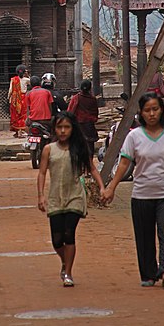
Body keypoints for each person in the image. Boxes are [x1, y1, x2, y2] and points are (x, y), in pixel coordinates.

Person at [102, 92, 164, 288]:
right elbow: (124, 163)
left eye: (155, 109)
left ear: (161, 111)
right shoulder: (134, 136)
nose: (152, 114)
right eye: (147, 110)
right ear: (141, 113)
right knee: (144, 234)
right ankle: (148, 274)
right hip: (141, 194)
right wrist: (111, 187)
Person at [37, 111, 104, 287]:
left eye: (67, 127)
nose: (63, 131)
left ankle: (68, 273)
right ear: (54, 129)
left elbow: (93, 169)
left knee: (69, 233)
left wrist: (102, 187)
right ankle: (64, 261)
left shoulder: (79, 149)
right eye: (59, 127)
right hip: (55, 198)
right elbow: (42, 172)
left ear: (73, 129)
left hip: (75, 196)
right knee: (57, 239)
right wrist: (41, 195)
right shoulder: (48, 149)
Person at [67, 79, 99, 158]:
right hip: (89, 125)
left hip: (78, 124)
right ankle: (89, 163)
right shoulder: (92, 99)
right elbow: (95, 113)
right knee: (90, 145)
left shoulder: (76, 98)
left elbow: (70, 111)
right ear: (90, 88)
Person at [8, 64, 30, 138]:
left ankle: (17, 132)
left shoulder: (13, 79)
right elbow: (32, 82)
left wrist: (8, 98)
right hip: (23, 99)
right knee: (22, 115)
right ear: (24, 72)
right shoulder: (27, 80)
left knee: (15, 116)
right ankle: (21, 131)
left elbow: (10, 90)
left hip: (14, 99)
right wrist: (28, 75)